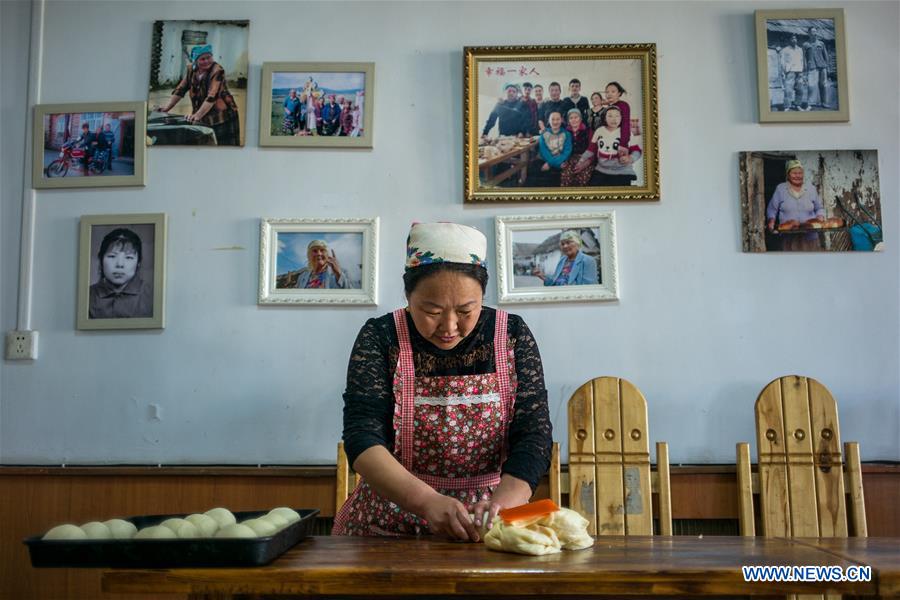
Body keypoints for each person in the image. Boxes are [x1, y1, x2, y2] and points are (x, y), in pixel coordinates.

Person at [333, 222, 551, 540]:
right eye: (432, 311)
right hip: (390, 521)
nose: (449, 327)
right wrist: (426, 502)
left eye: (465, 310)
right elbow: (362, 438)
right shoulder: (381, 337)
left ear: (482, 297)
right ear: (408, 296)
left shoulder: (511, 335)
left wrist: (501, 506)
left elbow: (534, 436)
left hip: (487, 524)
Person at [156, 44, 241, 145]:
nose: (206, 61)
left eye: (209, 57)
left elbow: (212, 97)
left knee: (223, 146)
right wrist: (167, 107)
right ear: (195, 60)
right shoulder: (191, 69)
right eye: (202, 59)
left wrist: (197, 115)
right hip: (203, 112)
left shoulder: (218, 71)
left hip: (221, 116)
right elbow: (180, 90)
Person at [89, 228, 153, 319]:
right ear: (101, 260)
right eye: (112, 256)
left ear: (138, 263)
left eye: (128, 257)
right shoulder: (86, 296)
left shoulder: (151, 296)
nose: (119, 264)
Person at [574, 105, 641, 186]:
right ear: (604, 118)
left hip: (622, 171)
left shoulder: (626, 132)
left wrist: (631, 158)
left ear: (621, 118)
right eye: (610, 116)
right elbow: (591, 149)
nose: (614, 119)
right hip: (601, 170)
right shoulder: (599, 131)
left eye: (617, 116)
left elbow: (637, 150)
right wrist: (581, 160)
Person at [766, 159, 825, 251]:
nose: (797, 176)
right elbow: (772, 209)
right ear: (788, 174)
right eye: (794, 173)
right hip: (789, 238)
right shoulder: (781, 189)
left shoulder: (811, 189)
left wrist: (820, 217)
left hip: (810, 236)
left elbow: (819, 208)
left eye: (800, 173)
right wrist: (771, 221)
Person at [531, 230, 598, 286]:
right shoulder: (562, 260)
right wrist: (542, 276)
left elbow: (589, 288)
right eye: (562, 244)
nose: (565, 246)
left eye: (568, 242)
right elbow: (555, 282)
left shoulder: (588, 261)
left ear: (577, 244)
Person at [560, 109, 591, 187]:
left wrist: (586, 162)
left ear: (580, 118)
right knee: (566, 177)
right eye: (571, 118)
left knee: (582, 178)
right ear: (568, 121)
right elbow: (561, 148)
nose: (573, 120)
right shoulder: (565, 132)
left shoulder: (588, 131)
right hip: (569, 158)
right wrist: (562, 160)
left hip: (584, 158)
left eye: (576, 117)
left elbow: (592, 149)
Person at [536, 111, 571, 176]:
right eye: (552, 119)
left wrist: (550, 164)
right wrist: (554, 163)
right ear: (549, 120)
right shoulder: (544, 134)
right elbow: (544, 152)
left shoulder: (567, 134)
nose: (555, 122)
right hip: (546, 161)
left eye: (558, 119)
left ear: (561, 120)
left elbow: (567, 152)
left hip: (560, 161)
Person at [803, 27, 830, 109]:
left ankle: (824, 102)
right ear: (809, 33)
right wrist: (805, 68)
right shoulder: (805, 44)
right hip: (812, 66)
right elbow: (804, 58)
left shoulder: (821, 43)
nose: (815, 33)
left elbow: (826, 55)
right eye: (813, 32)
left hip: (822, 66)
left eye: (815, 32)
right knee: (811, 85)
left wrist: (827, 66)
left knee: (824, 84)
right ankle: (811, 103)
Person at [601, 82, 631, 152]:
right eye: (607, 92)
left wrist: (623, 144)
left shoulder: (623, 105)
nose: (609, 94)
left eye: (613, 91)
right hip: (607, 143)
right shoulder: (608, 107)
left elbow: (625, 125)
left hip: (619, 143)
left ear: (619, 93)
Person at [780, 35, 806, 111]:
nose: (794, 40)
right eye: (792, 38)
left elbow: (802, 60)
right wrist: (783, 71)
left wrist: (802, 70)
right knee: (788, 90)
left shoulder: (800, 49)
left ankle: (798, 105)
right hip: (790, 72)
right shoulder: (785, 50)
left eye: (795, 38)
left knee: (800, 89)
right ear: (789, 40)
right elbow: (782, 62)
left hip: (799, 71)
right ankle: (787, 106)